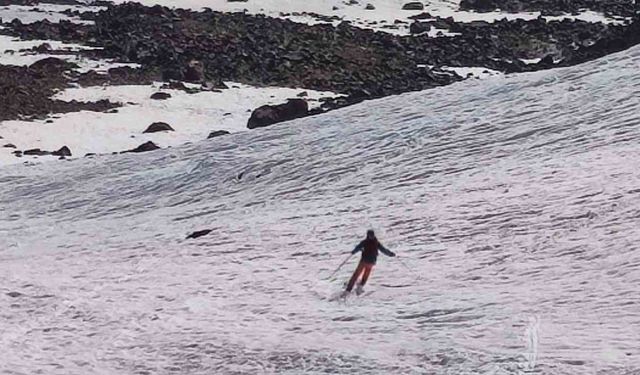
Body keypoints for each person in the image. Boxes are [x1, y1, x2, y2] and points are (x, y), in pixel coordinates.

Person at [345, 230, 395, 294]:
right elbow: (384, 250)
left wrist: (353, 252)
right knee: (366, 274)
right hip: (371, 262)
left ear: (367, 235)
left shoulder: (365, 242)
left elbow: (357, 248)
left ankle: (348, 289)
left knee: (356, 274)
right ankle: (360, 286)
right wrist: (391, 254)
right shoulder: (376, 243)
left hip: (364, 261)